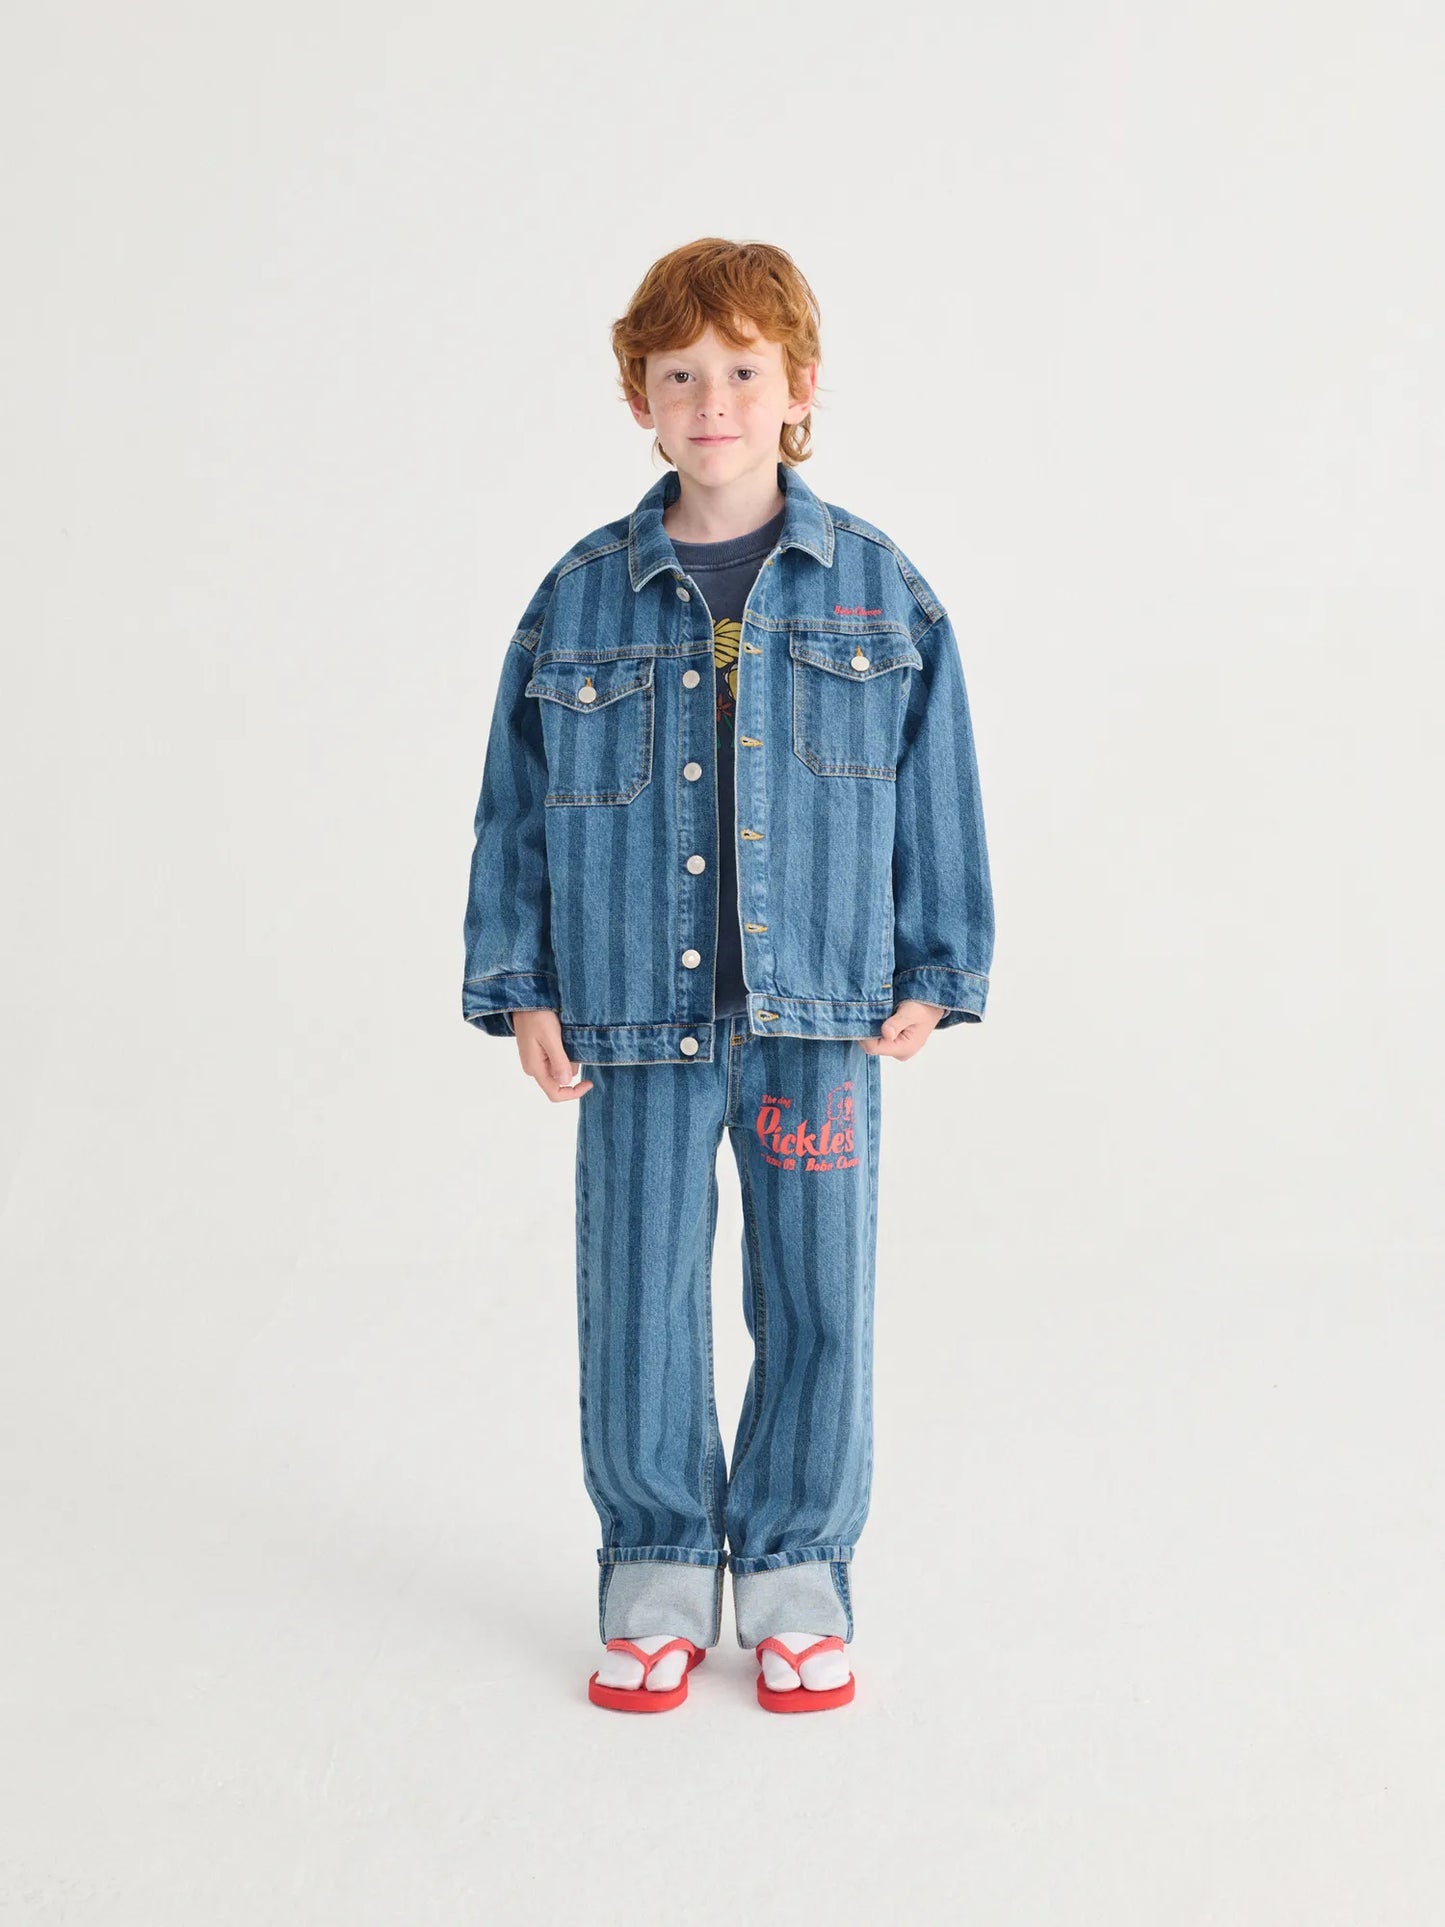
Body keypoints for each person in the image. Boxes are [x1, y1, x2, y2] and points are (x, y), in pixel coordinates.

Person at [462, 237, 995, 1713]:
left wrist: (939, 962)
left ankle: (795, 1576)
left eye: (743, 371)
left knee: (817, 1295)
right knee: (638, 1294)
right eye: (681, 374)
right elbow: (514, 804)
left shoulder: (880, 591)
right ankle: (653, 1572)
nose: (713, 401)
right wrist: (520, 981)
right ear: (637, 397)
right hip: (630, 1017)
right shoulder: (578, 599)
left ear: (798, 388)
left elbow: (936, 779)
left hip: (822, 1017)